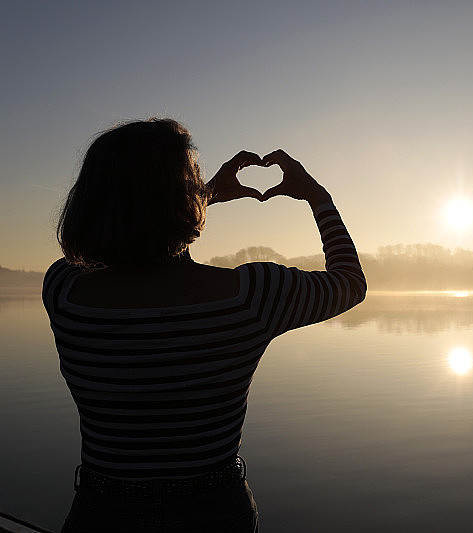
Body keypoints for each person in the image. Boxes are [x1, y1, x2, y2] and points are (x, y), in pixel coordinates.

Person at [41, 118, 367, 532]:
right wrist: (317, 198)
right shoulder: (250, 295)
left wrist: (204, 195)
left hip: (102, 513)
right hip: (214, 514)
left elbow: (124, 236)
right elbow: (350, 283)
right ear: (182, 197)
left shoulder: (64, 292)